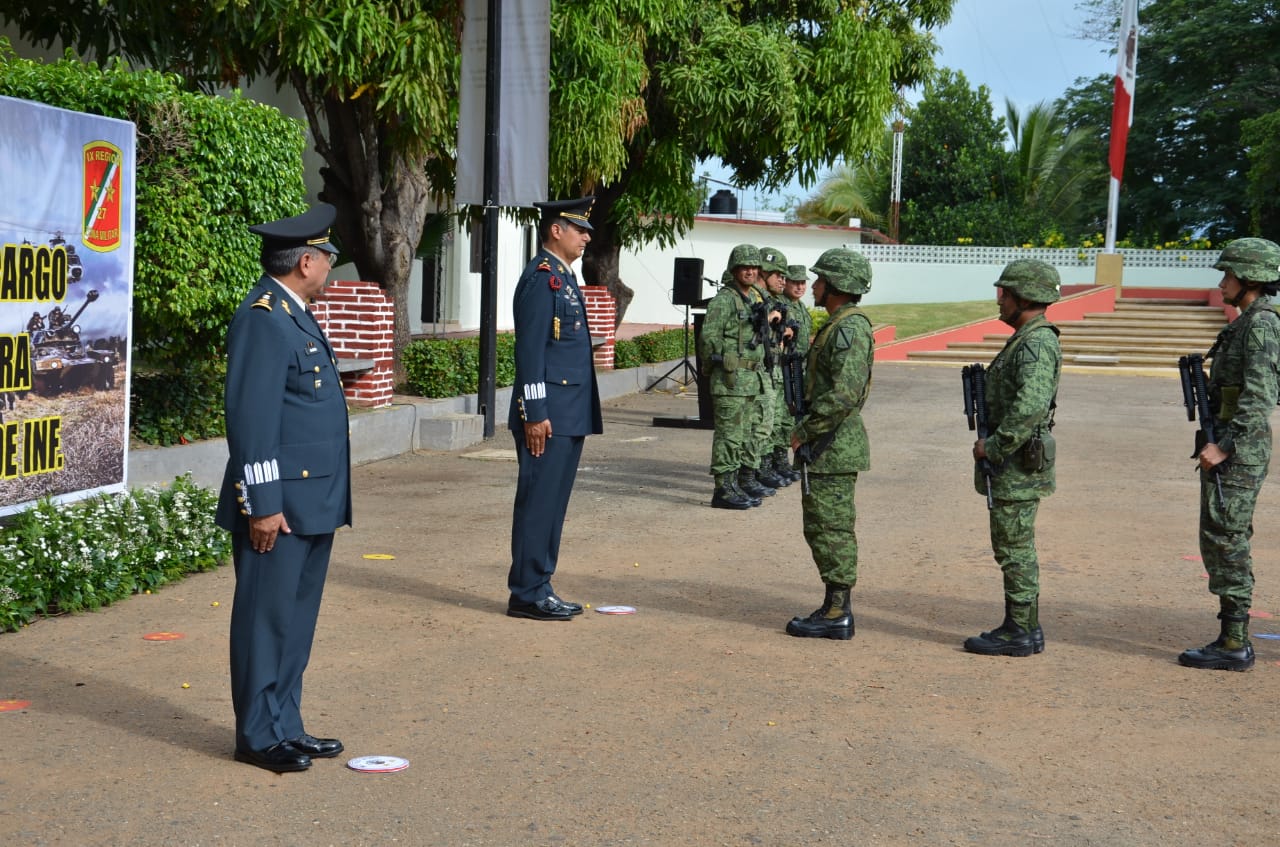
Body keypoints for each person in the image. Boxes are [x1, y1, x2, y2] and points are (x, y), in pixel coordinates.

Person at [215, 203, 351, 772]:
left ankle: (285, 723)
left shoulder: (293, 311)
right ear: (305, 261)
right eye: (327, 257)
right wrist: (263, 506)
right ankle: (257, 735)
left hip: (313, 499)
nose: (330, 267)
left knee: (296, 621)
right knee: (264, 619)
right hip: (281, 505)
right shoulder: (264, 317)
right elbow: (252, 422)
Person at [1179, 237, 1280, 671]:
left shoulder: (1260, 325)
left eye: (1228, 276)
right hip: (1230, 446)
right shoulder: (1247, 322)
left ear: (1249, 279)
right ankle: (1230, 635)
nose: (1222, 284)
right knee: (1220, 535)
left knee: (1228, 539)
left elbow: (1259, 398)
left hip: (1237, 452)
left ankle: (1235, 641)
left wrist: (1224, 447)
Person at [506, 197, 603, 621]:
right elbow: (530, 352)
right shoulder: (542, 279)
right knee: (538, 503)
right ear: (555, 230)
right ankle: (526, 592)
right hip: (547, 416)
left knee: (552, 505)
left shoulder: (564, 278)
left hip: (567, 413)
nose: (586, 237)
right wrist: (534, 413)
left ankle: (540, 584)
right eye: (579, 229)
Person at [963, 259, 1062, 658]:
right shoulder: (1028, 338)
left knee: (1015, 547)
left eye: (1005, 293)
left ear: (1024, 296)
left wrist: (996, 445)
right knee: (1012, 545)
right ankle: (1022, 625)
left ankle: (1020, 629)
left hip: (1017, 463)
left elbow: (1030, 407)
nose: (999, 300)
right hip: (1016, 462)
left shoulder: (1036, 342)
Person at [786, 248, 875, 640]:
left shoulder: (849, 329)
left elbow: (843, 395)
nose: (814, 286)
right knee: (821, 527)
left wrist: (804, 432)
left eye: (820, 280)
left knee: (833, 528)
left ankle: (838, 612)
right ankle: (833, 605)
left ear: (837, 285)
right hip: (827, 445)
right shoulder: (839, 324)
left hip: (832, 445)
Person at [700, 244, 772, 509]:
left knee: (743, 435)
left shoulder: (753, 298)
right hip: (730, 380)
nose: (750, 271)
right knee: (728, 436)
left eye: (754, 267)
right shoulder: (724, 300)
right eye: (745, 266)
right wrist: (717, 364)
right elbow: (708, 337)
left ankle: (736, 484)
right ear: (734, 269)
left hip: (750, 380)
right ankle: (722, 489)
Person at [757, 246, 796, 488]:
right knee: (760, 426)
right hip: (757, 373)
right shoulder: (755, 300)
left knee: (773, 422)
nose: (783, 280)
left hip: (773, 370)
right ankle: (756, 471)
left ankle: (767, 466)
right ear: (765, 272)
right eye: (778, 275)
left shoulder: (772, 302)